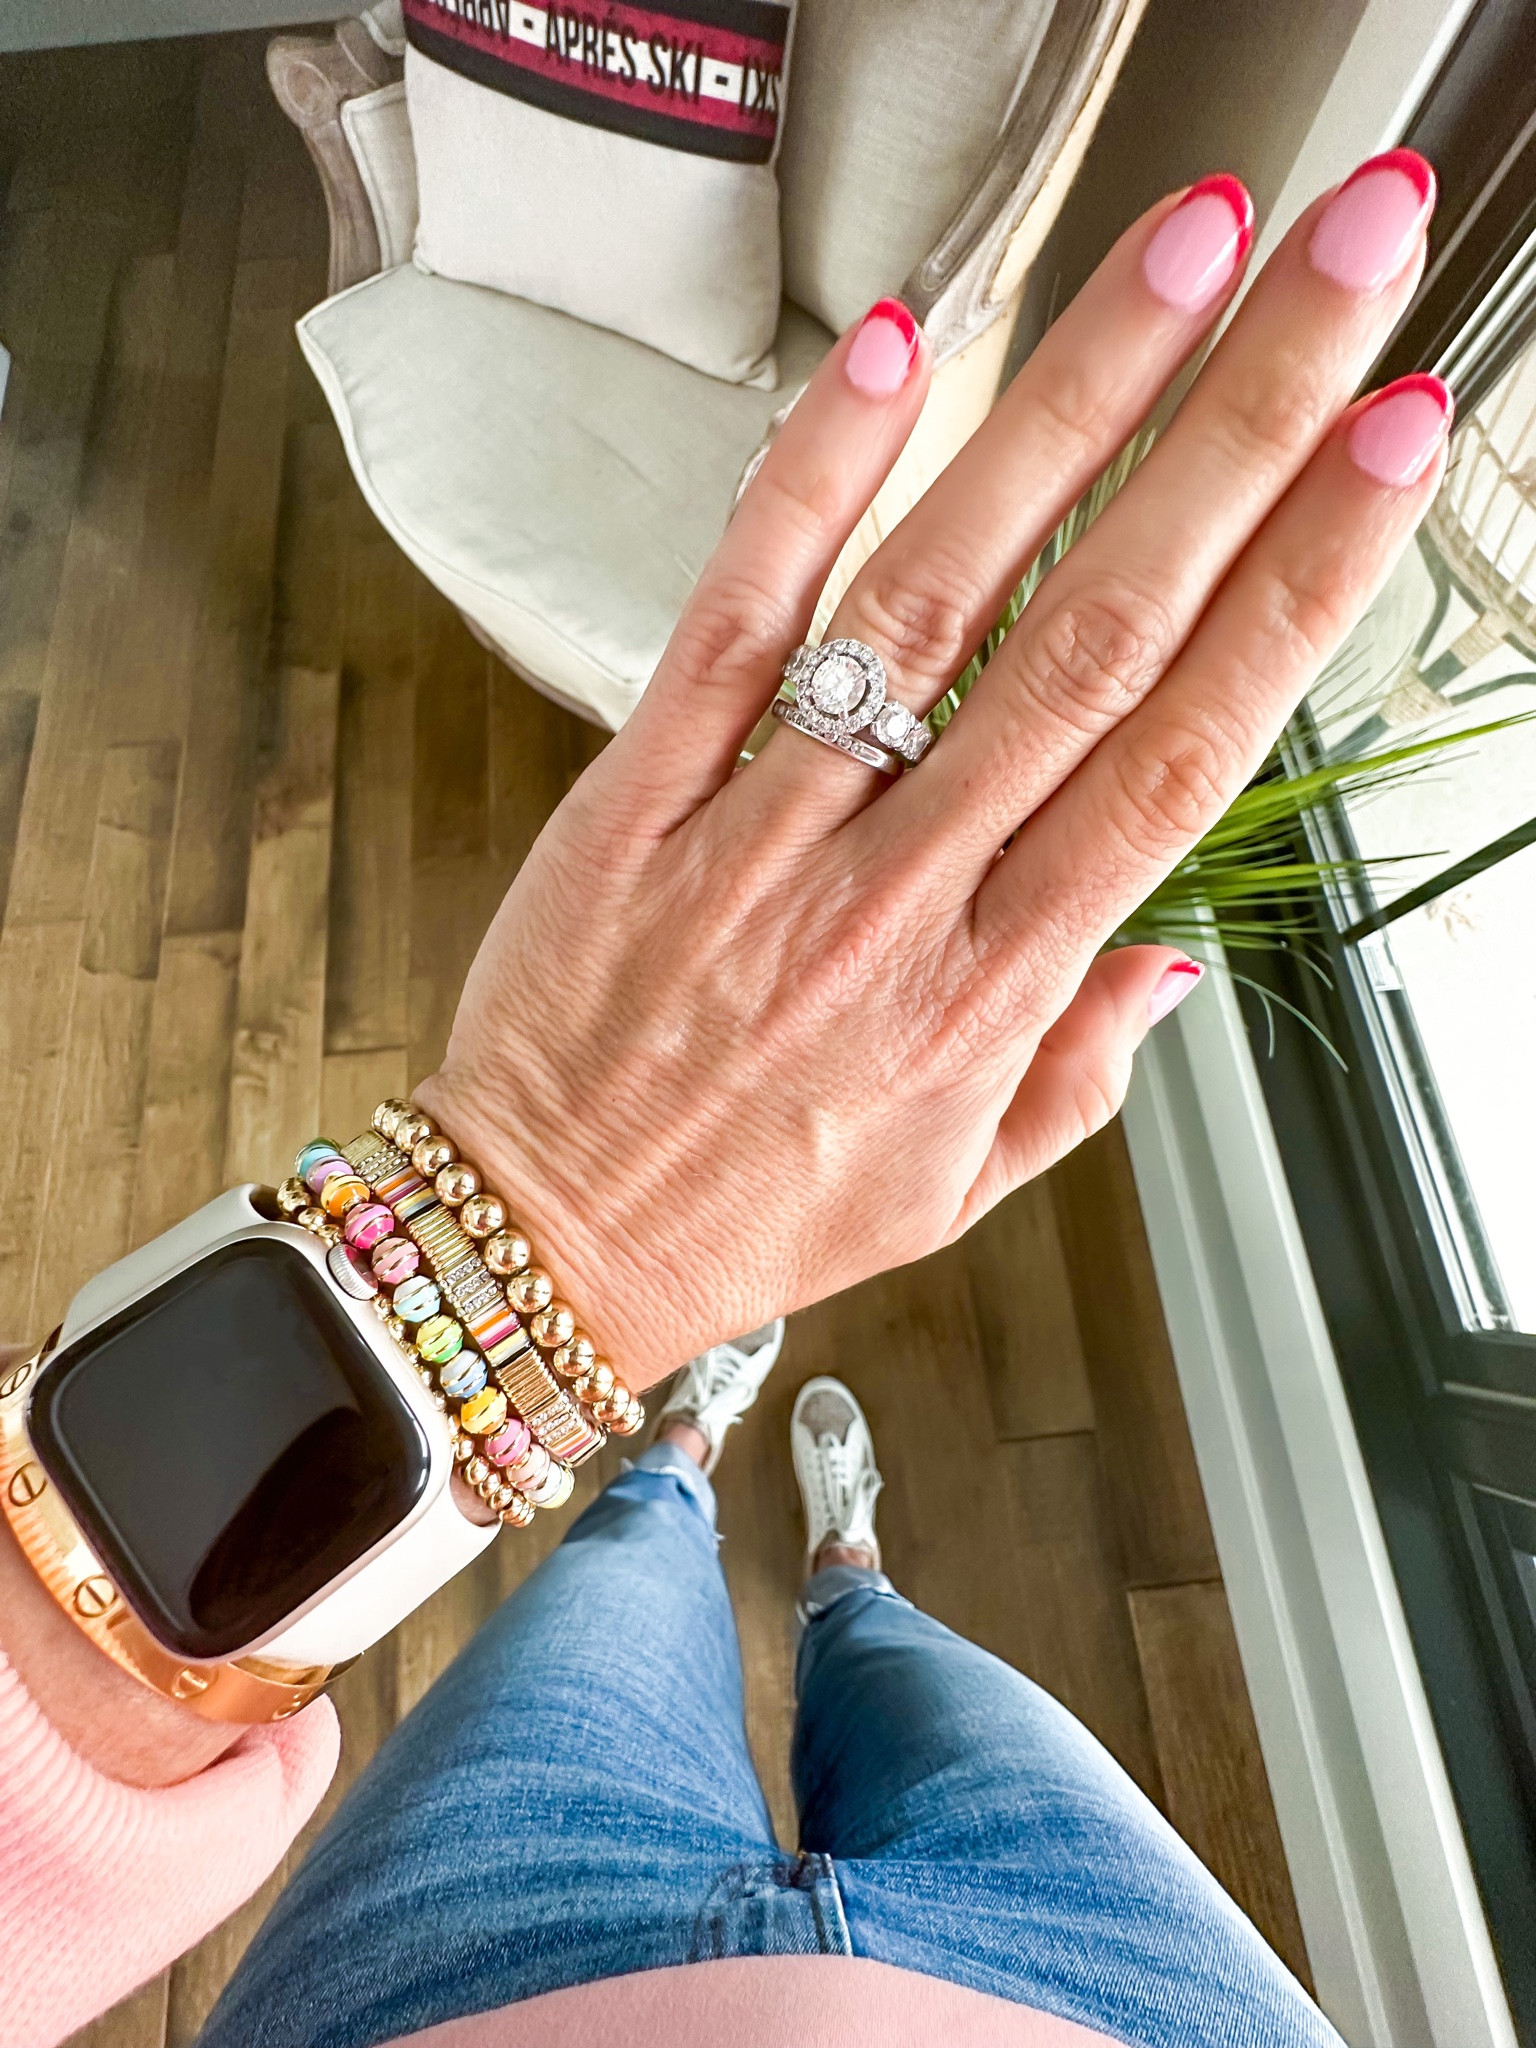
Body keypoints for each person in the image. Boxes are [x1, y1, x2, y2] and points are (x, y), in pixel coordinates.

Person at [3, 148, 1448, 2048]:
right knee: (900, 1662)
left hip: (455, 1973)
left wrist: (527, 1213)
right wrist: (542, 1219)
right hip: (1154, 1995)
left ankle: (679, 1460)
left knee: (619, 1570)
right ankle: (839, 1559)